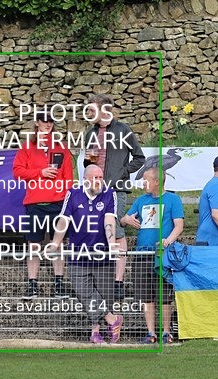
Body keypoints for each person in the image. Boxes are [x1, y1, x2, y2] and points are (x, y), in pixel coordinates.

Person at [48, 165, 124, 344]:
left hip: (102, 255)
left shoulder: (109, 193)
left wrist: (112, 244)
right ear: (85, 179)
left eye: (100, 177)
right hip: (77, 255)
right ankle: (112, 319)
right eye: (95, 178)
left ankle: (95, 331)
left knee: (103, 294)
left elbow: (109, 220)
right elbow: (64, 219)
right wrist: (55, 242)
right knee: (83, 293)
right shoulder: (73, 193)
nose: (99, 181)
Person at [83, 94, 145, 299]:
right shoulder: (90, 132)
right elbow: (89, 162)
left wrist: (122, 172)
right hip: (94, 190)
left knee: (117, 232)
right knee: (96, 231)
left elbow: (139, 157)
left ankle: (118, 281)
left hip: (117, 190)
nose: (88, 113)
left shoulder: (123, 130)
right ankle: (99, 278)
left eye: (92, 109)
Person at [12, 111, 72, 299]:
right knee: (34, 245)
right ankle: (32, 283)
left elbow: (68, 178)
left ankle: (59, 282)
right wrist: (41, 172)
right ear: (36, 123)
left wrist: (66, 199)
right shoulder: (27, 147)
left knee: (59, 244)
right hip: (35, 203)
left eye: (51, 121)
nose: (48, 124)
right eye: (44, 121)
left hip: (58, 202)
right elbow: (17, 172)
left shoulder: (61, 148)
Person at [120, 167, 183, 344]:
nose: (143, 183)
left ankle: (166, 332)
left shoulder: (173, 200)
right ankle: (150, 333)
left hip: (162, 255)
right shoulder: (141, 200)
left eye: (146, 179)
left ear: (157, 181)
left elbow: (179, 225)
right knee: (145, 296)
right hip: (142, 254)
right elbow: (124, 220)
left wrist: (168, 241)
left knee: (164, 296)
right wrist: (126, 220)